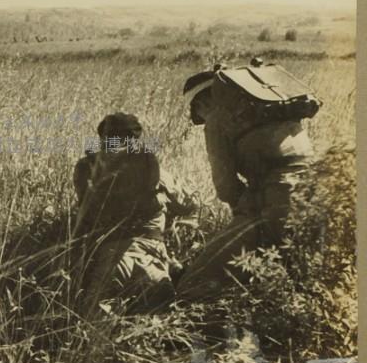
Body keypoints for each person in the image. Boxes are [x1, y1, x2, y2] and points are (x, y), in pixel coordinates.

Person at [177, 64, 314, 301]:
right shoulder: (264, 105)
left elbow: (226, 187)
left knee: (196, 280)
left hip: (276, 199)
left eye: (196, 110)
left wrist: (243, 210)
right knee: (303, 269)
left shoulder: (217, 119)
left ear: (201, 103)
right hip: (314, 186)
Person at [72, 113, 196, 318]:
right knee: (165, 322)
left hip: (109, 257)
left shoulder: (86, 168)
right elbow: (188, 207)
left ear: (104, 138)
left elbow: (84, 210)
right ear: (135, 138)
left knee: (94, 321)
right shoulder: (154, 169)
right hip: (151, 254)